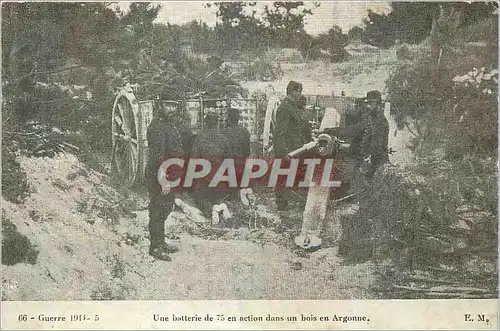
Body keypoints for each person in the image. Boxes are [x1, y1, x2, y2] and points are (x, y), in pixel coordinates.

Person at [146, 102, 184, 261]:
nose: (172, 109)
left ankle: (161, 242)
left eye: (174, 106)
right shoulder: (157, 127)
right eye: (168, 105)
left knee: (165, 208)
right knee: (157, 210)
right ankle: (155, 247)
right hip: (159, 175)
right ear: (160, 105)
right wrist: (163, 180)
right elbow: (158, 157)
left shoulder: (168, 125)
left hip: (169, 174)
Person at [273, 81, 311, 211]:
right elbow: (279, 132)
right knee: (283, 178)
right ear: (291, 92)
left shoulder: (293, 107)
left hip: (295, 149)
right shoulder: (285, 108)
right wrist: (283, 153)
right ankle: (281, 207)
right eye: (298, 91)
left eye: (300, 91)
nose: (299, 94)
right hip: (288, 151)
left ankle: (288, 204)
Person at [191, 111, 232, 217]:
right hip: (220, 179)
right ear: (217, 123)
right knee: (218, 196)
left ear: (205, 123)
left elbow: (194, 160)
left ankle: (212, 209)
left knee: (201, 199)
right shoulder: (224, 139)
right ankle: (220, 205)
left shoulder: (199, 138)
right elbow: (229, 160)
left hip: (204, 179)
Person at [360, 90, 390, 178]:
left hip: (377, 163)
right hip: (370, 161)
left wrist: (367, 157)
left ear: (378, 105)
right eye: (368, 103)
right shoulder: (371, 119)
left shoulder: (381, 122)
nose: (368, 106)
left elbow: (376, 145)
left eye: (371, 103)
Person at [222, 108, 250, 198]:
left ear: (228, 119)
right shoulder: (245, 131)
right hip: (241, 165)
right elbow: (247, 151)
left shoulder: (224, 132)